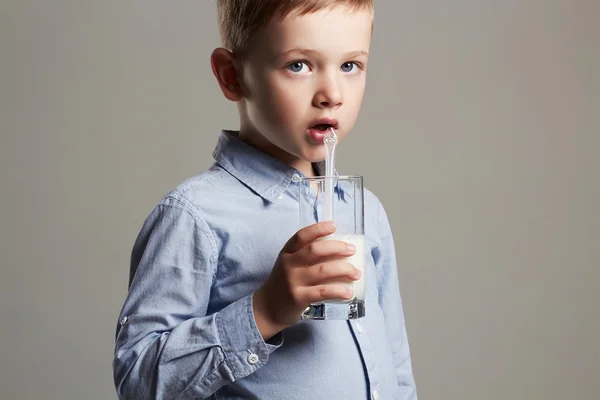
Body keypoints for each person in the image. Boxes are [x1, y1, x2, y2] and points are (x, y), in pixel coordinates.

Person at [113, 0, 417, 398]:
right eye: (299, 65)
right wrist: (263, 312)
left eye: (350, 66)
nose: (332, 94)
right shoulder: (195, 216)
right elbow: (138, 379)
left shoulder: (366, 212)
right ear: (232, 76)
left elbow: (395, 364)